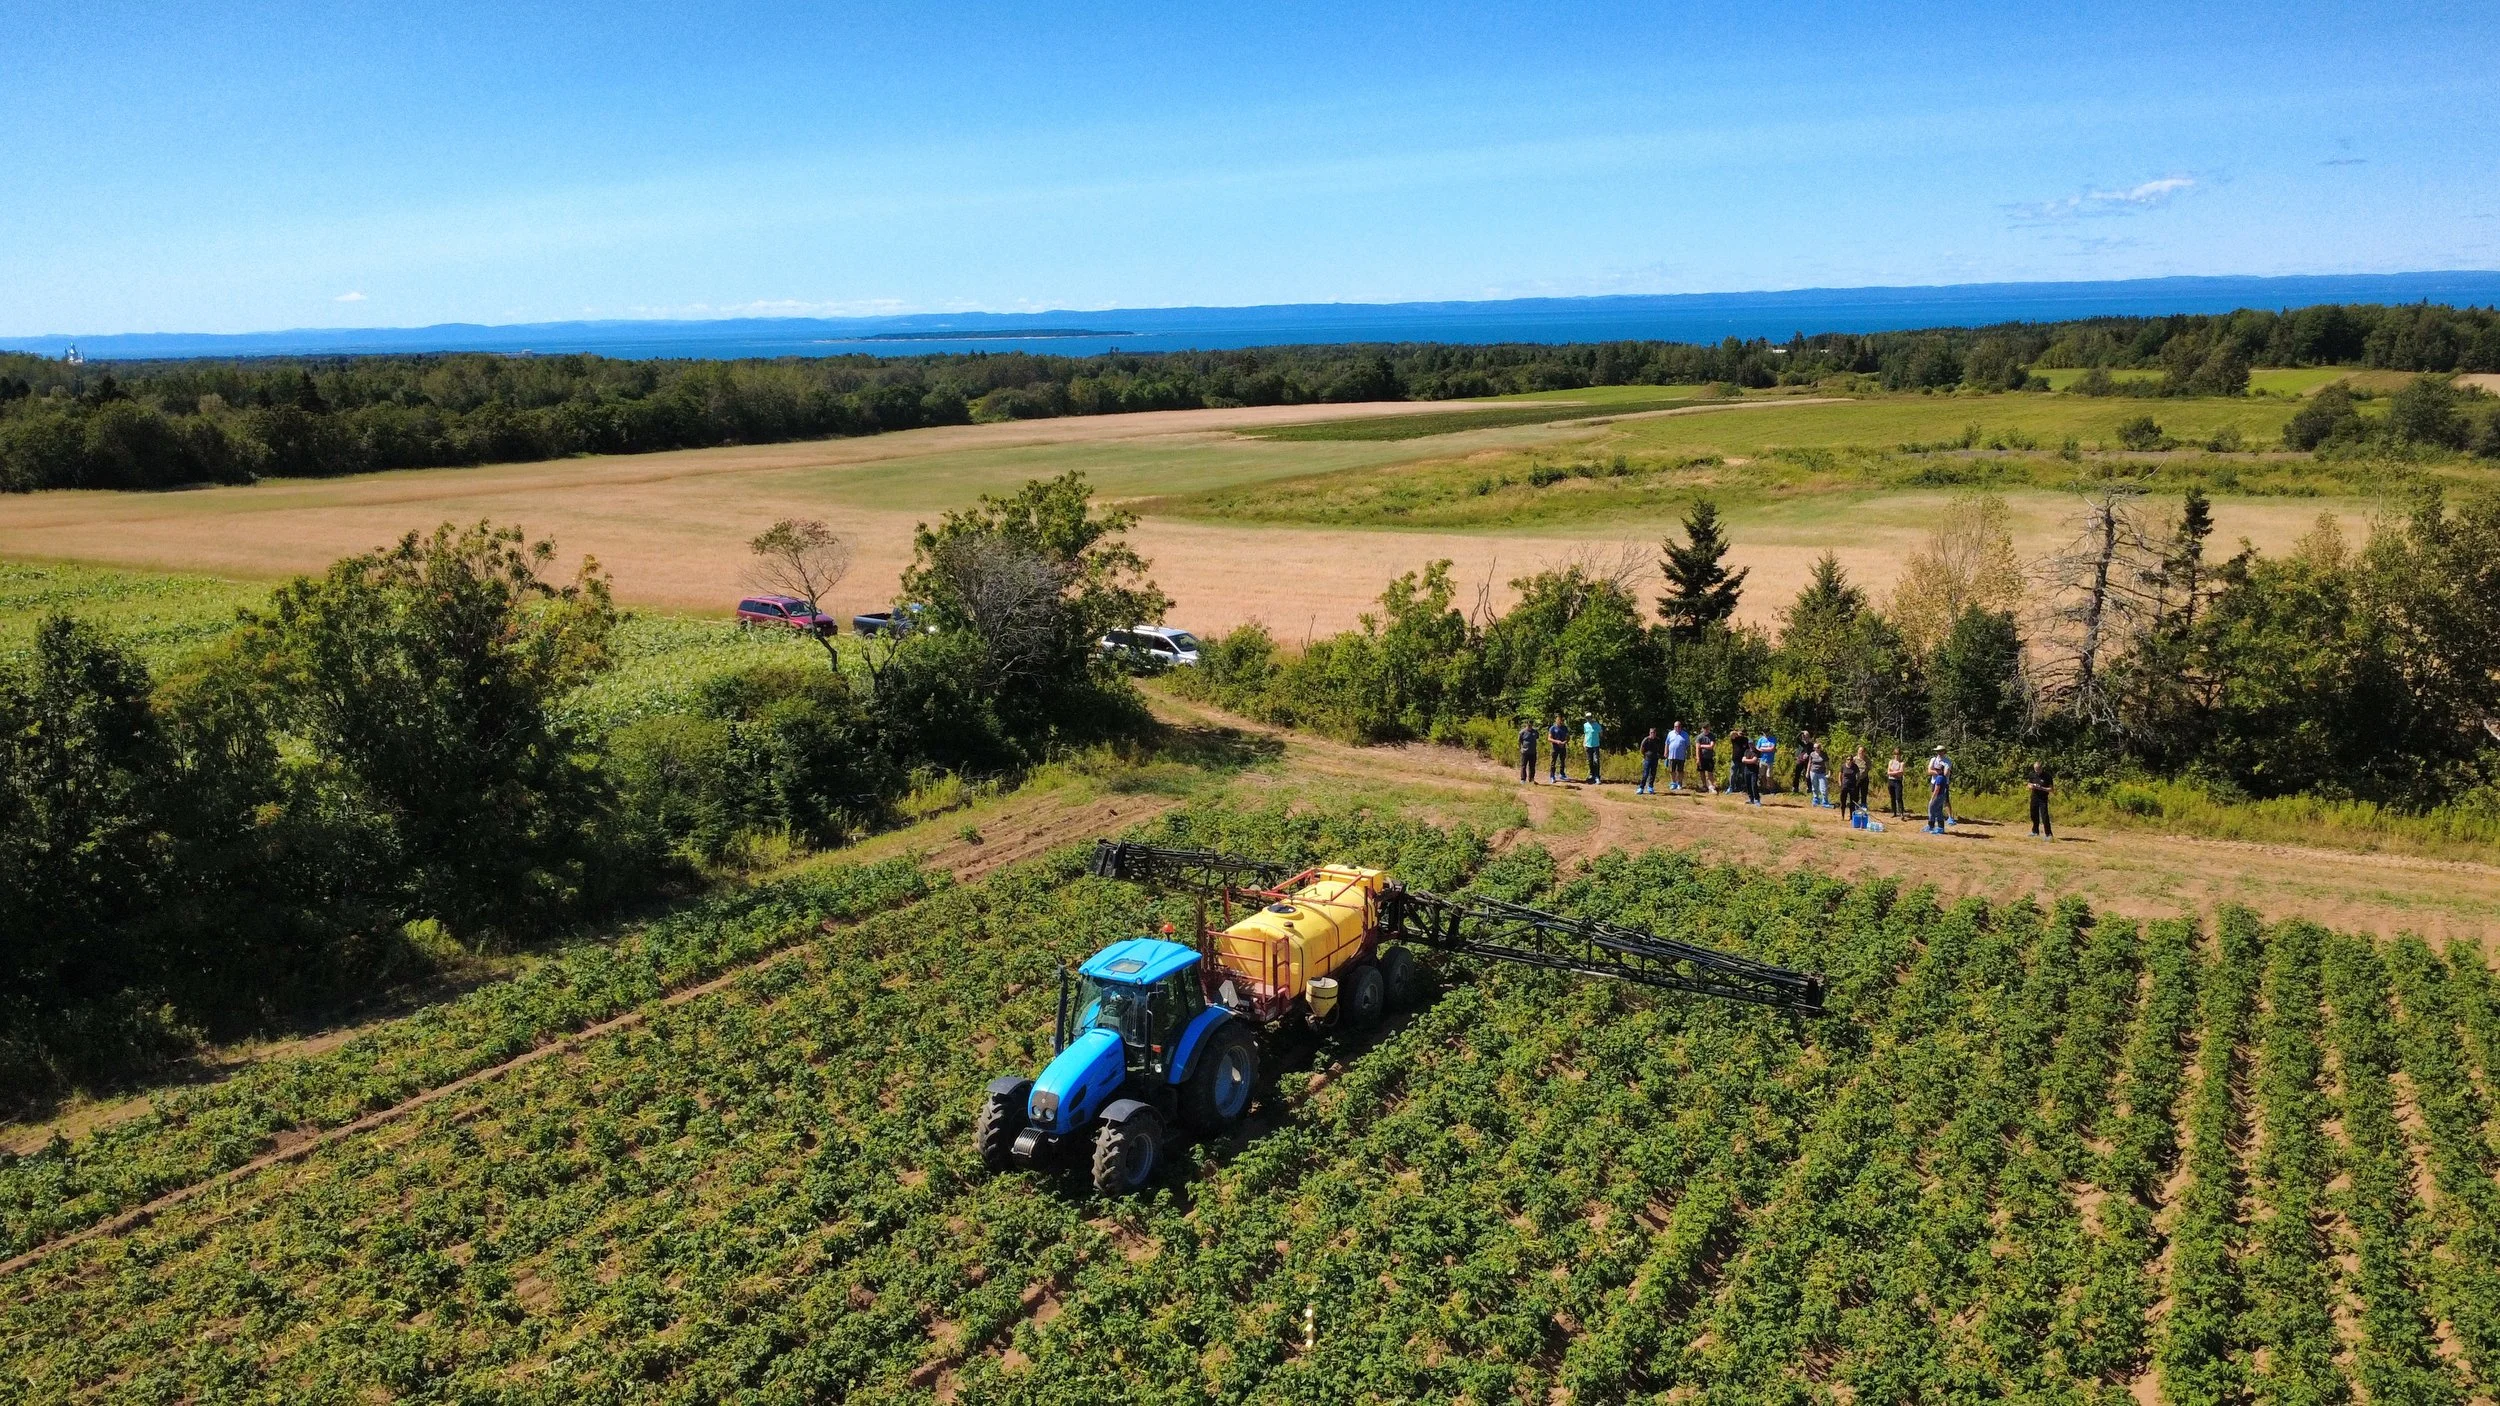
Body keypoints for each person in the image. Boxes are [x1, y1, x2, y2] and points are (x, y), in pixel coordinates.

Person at [2026, 758, 2055, 839]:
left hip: (2043, 798)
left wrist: (2041, 788)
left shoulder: (2047, 776)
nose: (2036, 771)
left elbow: (2051, 789)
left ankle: (2048, 834)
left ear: (2041, 768)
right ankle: (2035, 831)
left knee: (2044, 816)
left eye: (2038, 769)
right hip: (2034, 797)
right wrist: (2031, 786)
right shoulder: (2032, 774)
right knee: (2033, 814)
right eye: (2035, 769)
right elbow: (2028, 784)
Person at [1926, 749, 1949, 834]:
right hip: (1942, 795)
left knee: (1932, 808)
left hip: (1938, 795)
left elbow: (1937, 789)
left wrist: (1932, 798)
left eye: (1937, 769)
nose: (1936, 770)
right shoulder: (1943, 777)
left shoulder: (1939, 778)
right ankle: (1939, 827)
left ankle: (1935, 826)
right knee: (1938, 810)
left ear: (1940, 770)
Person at [1666, 721, 1690, 791]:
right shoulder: (1670, 733)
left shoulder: (1685, 734)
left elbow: (1688, 746)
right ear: (1674, 727)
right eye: (1675, 726)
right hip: (1671, 756)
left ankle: (1679, 783)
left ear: (1681, 727)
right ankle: (1673, 783)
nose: (1677, 728)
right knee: (1672, 770)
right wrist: (1666, 752)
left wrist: (1688, 754)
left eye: (1678, 726)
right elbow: (1667, 743)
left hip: (1681, 756)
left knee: (1680, 771)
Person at [1638, 726, 1663, 794]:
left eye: (1654, 733)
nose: (1653, 734)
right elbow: (1641, 749)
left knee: (1653, 774)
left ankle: (1650, 787)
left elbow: (1659, 749)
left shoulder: (1658, 740)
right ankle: (1641, 788)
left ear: (1655, 733)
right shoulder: (1646, 739)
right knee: (1645, 774)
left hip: (1655, 759)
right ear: (1649, 733)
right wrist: (1645, 756)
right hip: (1647, 759)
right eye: (1651, 732)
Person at [1737, 736, 1762, 805]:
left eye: (1752, 743)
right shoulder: (1747, 751)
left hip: (1754, 771)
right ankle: (1751, 799)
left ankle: (1757, 799)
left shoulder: (1757, 752)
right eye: (1750, 743)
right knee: (1748, 785)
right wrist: (1750, 760)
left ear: (1754, 744)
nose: (1751, 745)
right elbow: (1743, 760)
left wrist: (1747, 760)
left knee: (1754, 785)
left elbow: (1754, 760)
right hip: (1747, 770)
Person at [1839, 748, 1864, 816]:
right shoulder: (1843, 766)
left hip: (1852, 786)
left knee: (1852, 802)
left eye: (1850, 759)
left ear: (1852, 760)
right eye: (1848, 759)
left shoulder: (1855, 766)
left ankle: (1851, 816)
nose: (1849, 761)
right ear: (1846, 760)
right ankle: (1842, 815)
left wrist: (1857, 782)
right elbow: (1840, 774)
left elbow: (1858, 775)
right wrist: (1840, 782)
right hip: (1844, 786)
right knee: (1843, 801)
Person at [1807, 741, 1831, 808]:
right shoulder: (1812, 754)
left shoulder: (1824, 754)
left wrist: (1829, 771)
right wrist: (1807, 772)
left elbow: (1827, 764)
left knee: (1823, 788)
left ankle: (1825, 801)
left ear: (1820, 748)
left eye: (1817, 747)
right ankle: (1816, 800)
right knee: (1814, 787)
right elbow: (1809, 763)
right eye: (1814, 748)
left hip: (1822, 773)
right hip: (1813, 772)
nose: (1816, 749)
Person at [1583, 713, 1604, 784]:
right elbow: (1585, 734)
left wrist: (1597, 738)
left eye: (1589, 717)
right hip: (1588, 745)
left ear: (1592, 717)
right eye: (1587, 717)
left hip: (1595, 745)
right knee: (1590, 761)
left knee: (1596, 761)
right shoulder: (1585, 725)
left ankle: (1597, 776)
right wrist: (1584, 743)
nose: (1588, 719)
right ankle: (1592, 775)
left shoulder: (1597, 725)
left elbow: (1601, 733)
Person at [1695, 725, 1717, 794]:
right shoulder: (1699, 737)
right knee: (1702, 772)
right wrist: (1698, 759)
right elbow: (1697, 748)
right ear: (1702, 729)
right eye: (1704, 728)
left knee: (1710, 772)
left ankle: (1711, 786)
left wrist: (1701, 745)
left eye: (1707, 728)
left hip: (1709, 757)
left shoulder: (1712, 736)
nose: (1706, 729)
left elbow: (1711, 746)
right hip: (1701, 758)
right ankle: (1704, 786)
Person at [1547, 714, 1569, 782]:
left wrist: (1564, 742)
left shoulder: (1565, 728)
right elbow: (1549, 738)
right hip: (1555, 747)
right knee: (1553, 762)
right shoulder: (1552, 728)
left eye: (1561, 720)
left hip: (1563, 747)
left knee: (1562, 761)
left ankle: (1562, 774)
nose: (1560, 721)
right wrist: (1557, 741)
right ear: (1556, 720)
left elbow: (1568, 738)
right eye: (1559, 720)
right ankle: (1552, 776)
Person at [1517, 717, 1540, 783]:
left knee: (1532, 766)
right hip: (1525, 752)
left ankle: (1531, 779)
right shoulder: (1522, 732)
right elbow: (1519, 741)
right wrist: (1520, 749)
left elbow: (1537, 738)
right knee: (1523, 766)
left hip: (1533, 752)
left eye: (1531, 724)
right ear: (1526, 724)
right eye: (1528, 724)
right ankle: (1523, 779)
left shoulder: (1535, 732)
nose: (1530, 725)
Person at [1886, 750, 1907, 818]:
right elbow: (1888, 772)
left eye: (1898, 754)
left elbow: (1901, 773)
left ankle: (1901, 813)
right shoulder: (1891, 762)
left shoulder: (1902, 763)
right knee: (1892, 797)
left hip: (1898, 782)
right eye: (1895, 754)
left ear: (1900, 755)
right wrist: (1897, 772)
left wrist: (1893, 772)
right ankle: (1894, 812)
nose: (1897, 755)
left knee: (1899, 797)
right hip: (1891, 781)